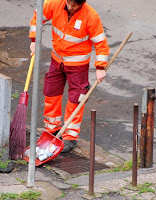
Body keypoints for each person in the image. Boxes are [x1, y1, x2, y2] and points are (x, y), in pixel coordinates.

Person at [29, 0, 109, 152]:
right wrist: (34, 40)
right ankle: (52, 130)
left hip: (78, 65)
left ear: (82, 3)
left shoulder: (90, 16)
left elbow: (101, 43)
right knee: (51, 94)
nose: (71, 8)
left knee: (76, 99)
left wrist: (100, 67)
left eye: (75, 6)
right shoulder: (54, 3)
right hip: (57, 60)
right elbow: (38, 17)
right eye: (69, 3)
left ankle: (70, 137)